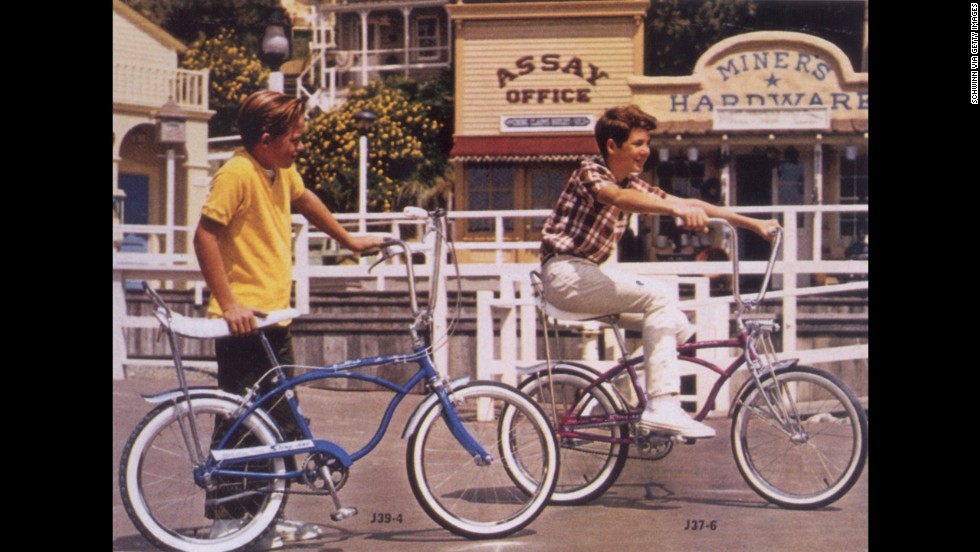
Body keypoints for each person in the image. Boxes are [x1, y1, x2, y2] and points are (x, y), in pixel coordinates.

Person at [193, 90, 384, 546]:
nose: (300, 146)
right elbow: (205, 237)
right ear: (266, 139)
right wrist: (230, 303)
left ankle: (264, 518)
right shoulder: (237, 173)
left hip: (274, 319)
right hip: (244, 323)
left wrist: (349, 240)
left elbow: (306, 200)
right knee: (240, 422)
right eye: (295, 139)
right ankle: (227, 518)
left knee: (278, 423)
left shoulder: (277, 170)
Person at [539, 105, 780, 439]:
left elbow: (692, 203)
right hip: (564, 274)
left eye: (646, 143)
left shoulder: (631, 181)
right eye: (638, 143)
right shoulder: (590, 171)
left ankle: (615, 401)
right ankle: (662, 404)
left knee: (677, 325)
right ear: (613, 146)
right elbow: (617, 198)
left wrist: (752, 224)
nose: (645, 151)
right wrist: (674, 208)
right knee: (661, 296)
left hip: (586, 275)